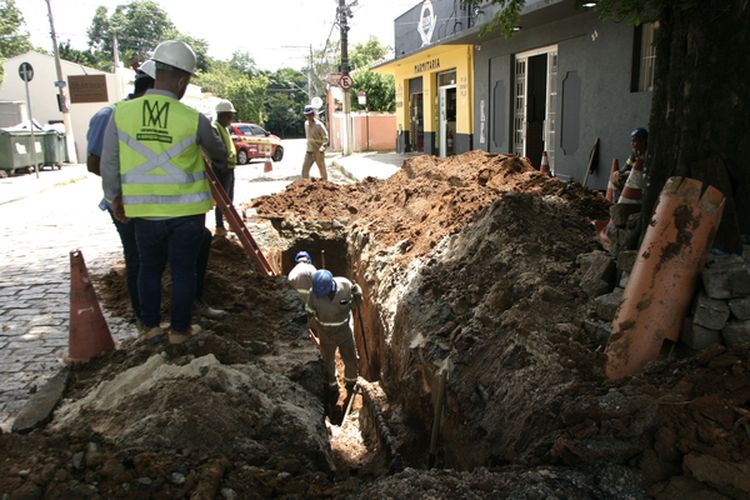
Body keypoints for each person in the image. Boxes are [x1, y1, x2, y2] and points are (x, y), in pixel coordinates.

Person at [101, 40, 227, 345]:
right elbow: (220, 153)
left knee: (148, 268)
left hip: (144, 214)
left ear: (157, 70)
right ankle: (179, 331)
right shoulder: (191, 118)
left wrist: (114, 198)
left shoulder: (121, 114)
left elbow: (109, 163)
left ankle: (151, 328)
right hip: (186, 214)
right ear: (183, 80)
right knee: (184, 272)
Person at [86, 60, 156, 328]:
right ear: (153, 85)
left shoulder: (151, 115)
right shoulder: (110, 115)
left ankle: (154, 310)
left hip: (154, 202)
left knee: (154, 259)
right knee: (137, 257)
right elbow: (94, 164)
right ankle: (143, 318)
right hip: (124, 203)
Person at [306, 269, 362, 398]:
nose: (322, 296)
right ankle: (332, 388)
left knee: (351, 360)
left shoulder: (345, 286)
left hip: (344, 333)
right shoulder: (313, 293)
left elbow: (354, 304)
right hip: (325, 335)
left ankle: (351, 383)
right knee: (328, 363)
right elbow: (309, 312)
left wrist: (359, 298)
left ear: (331, 286)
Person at [211, 99, 237, 237]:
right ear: (223, 115)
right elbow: (216, 149)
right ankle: (219, 225)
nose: (230, 119)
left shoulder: (224, 128)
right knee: (222, 200)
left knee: (229, 198)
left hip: (229, 168)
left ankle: (230, 223)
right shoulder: (215, 128)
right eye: (229, 116)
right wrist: (221, 164)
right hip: (222, 169)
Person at [612, 128, 648, 199]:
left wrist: (629, 173)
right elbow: (629, 163)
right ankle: (618, 200)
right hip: (635, 176)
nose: (632, 143)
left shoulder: (649, 153)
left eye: (634, 141)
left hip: (644, 177)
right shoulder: (635, 152)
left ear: (643, 141)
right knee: (616, 179)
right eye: (632, 141)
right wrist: (620, 172)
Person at [301, 105, 328, 181]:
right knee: (304, 171)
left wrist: (323, 147)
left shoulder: (319, 125)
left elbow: (326, 137)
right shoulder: (306, 124)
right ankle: (305, 186)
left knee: (322, 171)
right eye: (307, 115)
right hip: (309, 151)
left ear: (313, 114)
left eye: (310, 114)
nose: (309, 117)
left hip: (318, 151)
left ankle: (325, 185)